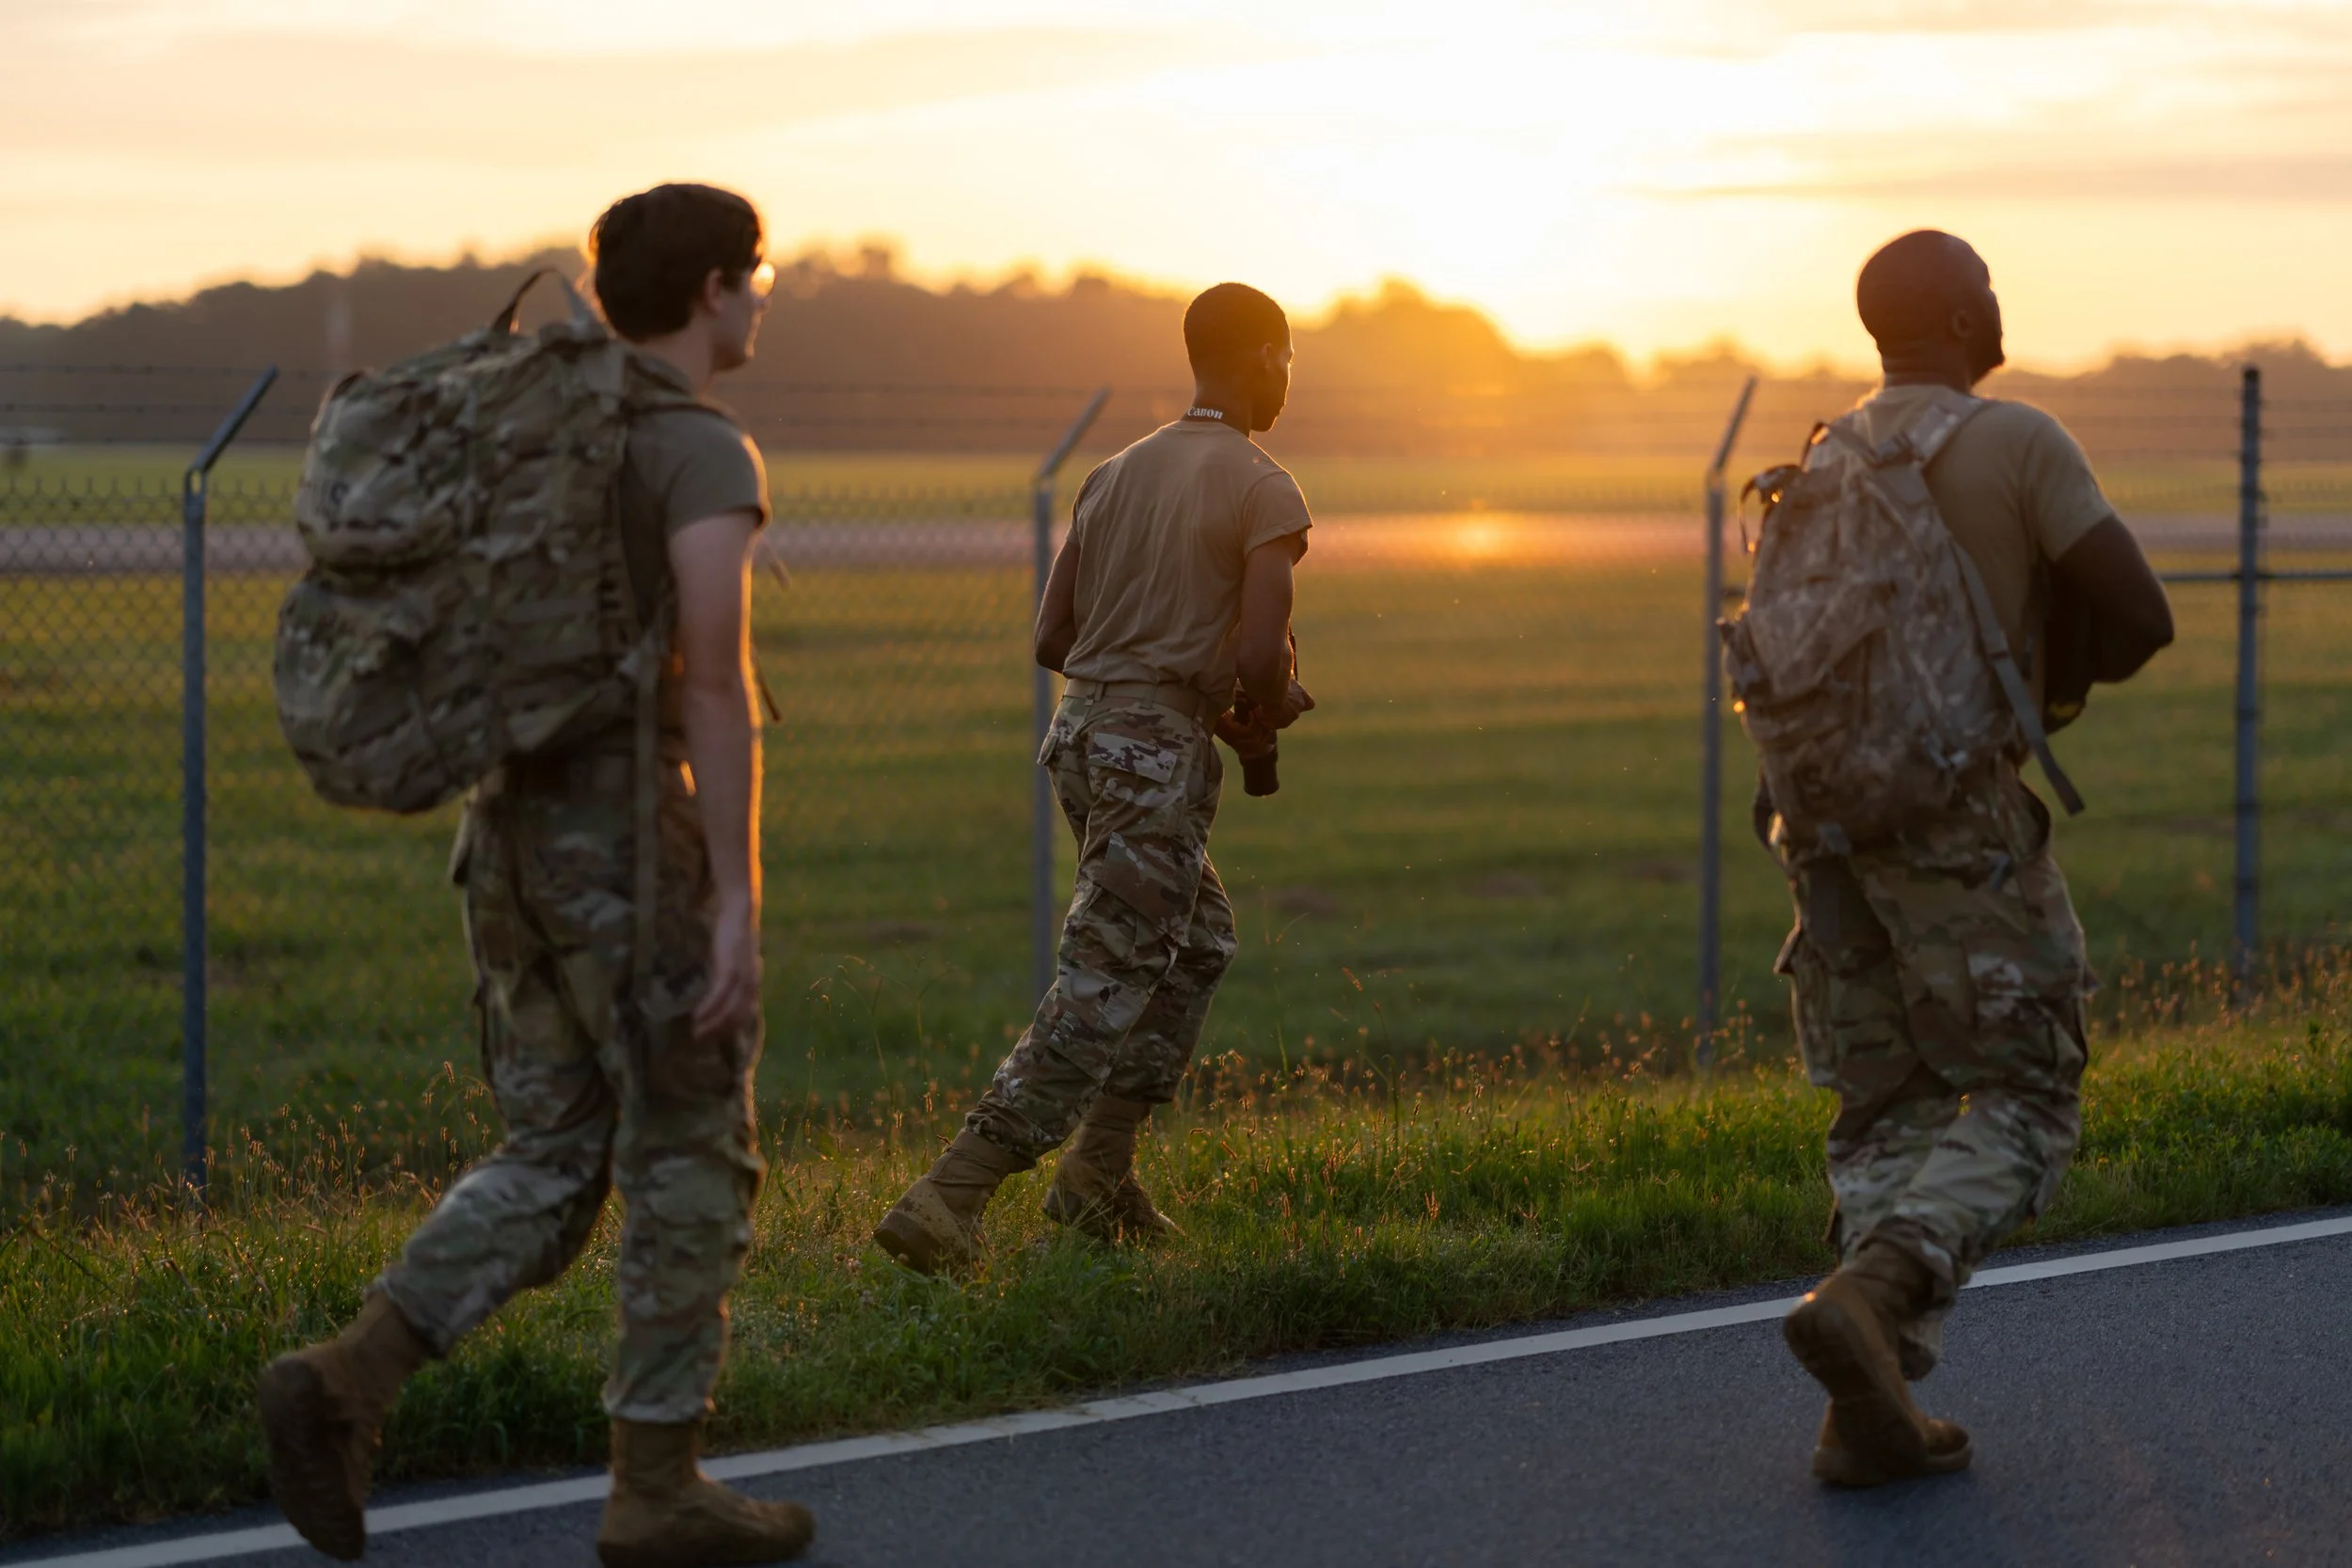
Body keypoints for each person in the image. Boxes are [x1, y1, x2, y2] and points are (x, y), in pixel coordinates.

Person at [256, 183, 813, 1566]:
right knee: (692, 1146)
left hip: (505, 832)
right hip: (629, 845)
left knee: (558, 1151)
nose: (762, 300)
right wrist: (736, 899)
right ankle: (657, 1483)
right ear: (710, 294)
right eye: (756, 277)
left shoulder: (528, 418)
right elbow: (712, 685)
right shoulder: (697, 448)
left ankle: (346, 1379)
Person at [1772, 230, 2174, 1486]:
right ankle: (1877, 1288)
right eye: (1988, 287)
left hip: (1826, 832)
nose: (2000, 303)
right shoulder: (2019, 440)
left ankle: (1866, 1410)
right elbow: (2142, 615)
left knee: (1884, 1101)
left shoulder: (1822, 460)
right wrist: (2052, 690)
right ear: (1953, 317)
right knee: (2031, 1087)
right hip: (1954, 818)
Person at [873, 282, 1316, 1274]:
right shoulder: (1263, 487)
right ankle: (953, 1191)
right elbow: (1258, 659)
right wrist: (1259, 712)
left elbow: (1052, 638)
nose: (1287, 381)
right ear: (1259, 358)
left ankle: (1097, 1175)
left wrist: (1151, 663)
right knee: (1106, 973)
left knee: (1196, 940)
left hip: (1081, 733)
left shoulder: (1113, 473)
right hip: (1155, 752)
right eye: (1285, 360)